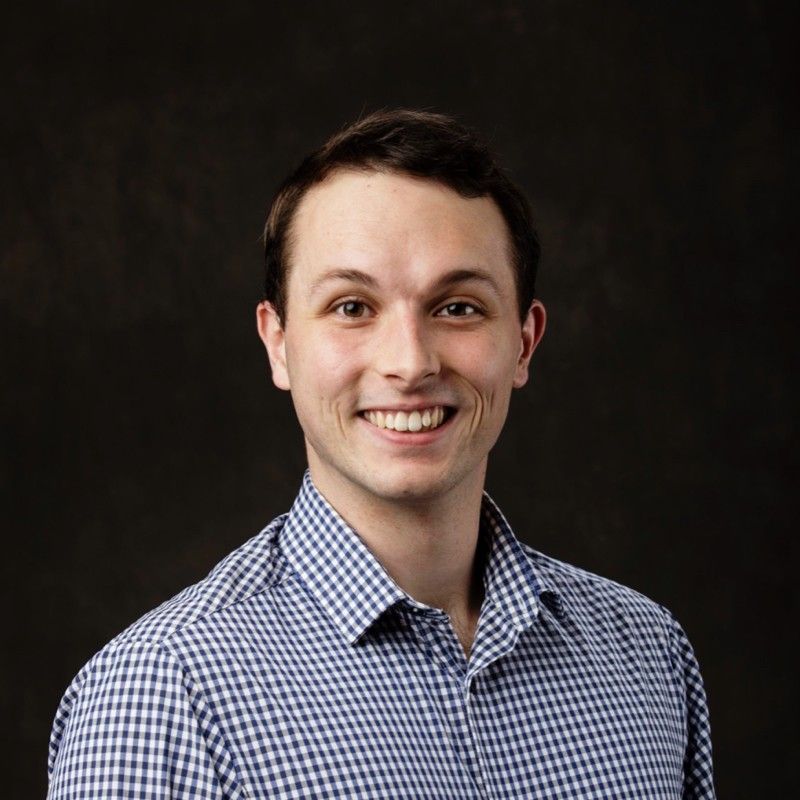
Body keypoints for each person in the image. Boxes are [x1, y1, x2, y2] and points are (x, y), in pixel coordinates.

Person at [47, 109, 716, 799]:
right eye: (352, 307)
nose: (410, 362)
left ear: (524, 341)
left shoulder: (647, 656)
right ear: (279, 343)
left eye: (457, 307)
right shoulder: (161, 696)